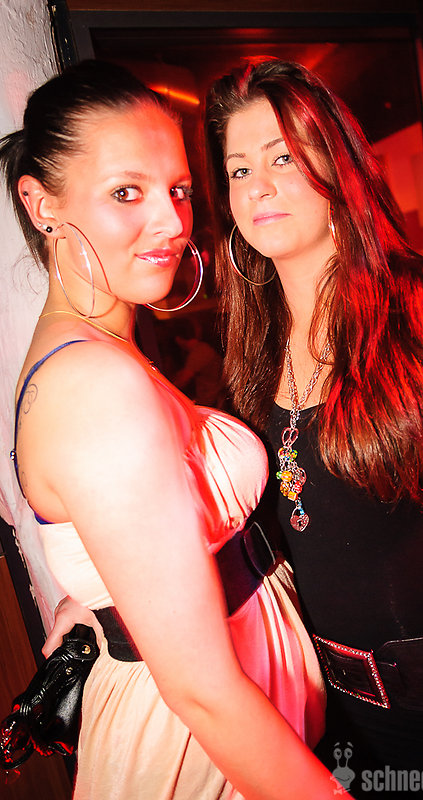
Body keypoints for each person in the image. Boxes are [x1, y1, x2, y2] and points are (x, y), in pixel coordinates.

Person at [0, 60, 340, 800]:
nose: (172, 223)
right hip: (204, 751)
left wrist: (100, 599)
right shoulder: (95, 385)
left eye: (179, 190)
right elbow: (202, 692)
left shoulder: (103, 353)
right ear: (40, 203)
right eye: (127, 192)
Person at [203, 58, 423, 790]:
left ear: (339, 165)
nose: (257, 186)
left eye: (282, 157)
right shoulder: (248, 356)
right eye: (237, 170)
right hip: (326, 721)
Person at [172, 317, 223, 407]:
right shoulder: (199, 349)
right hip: (210, 399)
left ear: (178, 339)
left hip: (213, 400)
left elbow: (183, 380)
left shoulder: (200, 351)